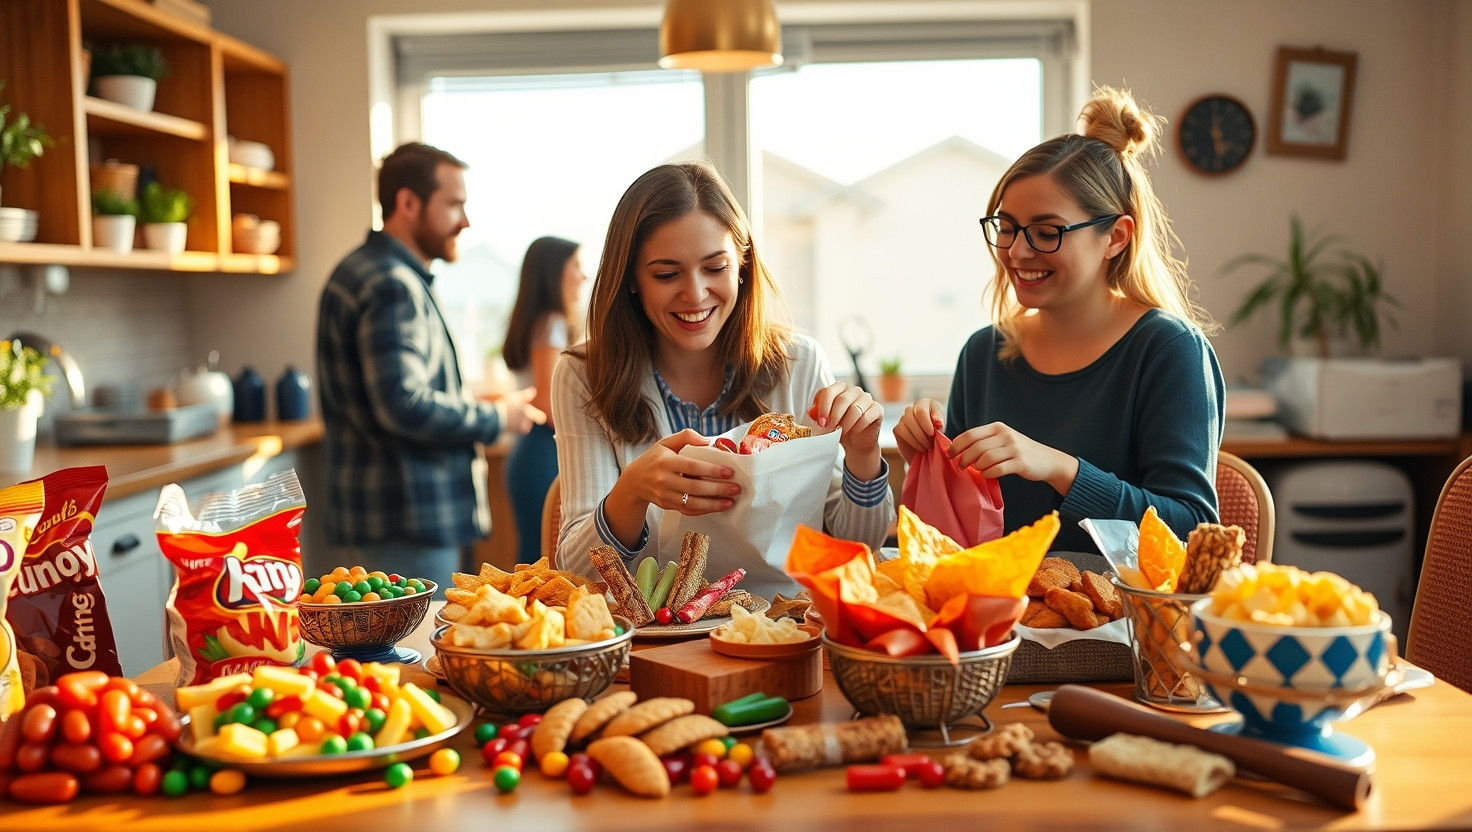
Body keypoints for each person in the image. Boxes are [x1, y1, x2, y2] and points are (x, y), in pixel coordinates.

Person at [894, 87, 1225, 553]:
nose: (1017, 251)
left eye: (1047, 232)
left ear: (1116, 236)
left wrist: (1060, 469)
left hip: (1119, 623)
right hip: (1003, 619)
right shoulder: (984, 353)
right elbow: (959, 539)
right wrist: (928, 463)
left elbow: (1191, 531)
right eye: (1006, 227)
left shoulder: (1168, 350)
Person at [551, 161, 895, 590]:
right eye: (666, 274)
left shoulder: (799, 362)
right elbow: (576, 570)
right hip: (657, 637)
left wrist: (864, 458)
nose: (695, 294)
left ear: (743, 265)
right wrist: (632, 491)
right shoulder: (583, 374)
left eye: (715, 268)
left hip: (785, 629)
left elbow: (853, 544)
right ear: (632, 280)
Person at [316, 142, 543, 586]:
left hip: (392, 517)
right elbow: (402, 402)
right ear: (407, 203)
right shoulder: (391, 284)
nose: (466, 220)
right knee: (412, 653)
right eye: (454, 204)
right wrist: (497, 416)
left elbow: (396, 390)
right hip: (405, 519)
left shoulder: (375, 271)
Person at [502, 235, 587, 564]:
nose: (583, 275)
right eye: (576, 266)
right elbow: (550, 405)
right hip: (542, 450)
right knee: (542, 559)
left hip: (528, 449)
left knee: (533, 554)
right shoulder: (552, 322)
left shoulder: (538, 322)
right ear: (555, 273)